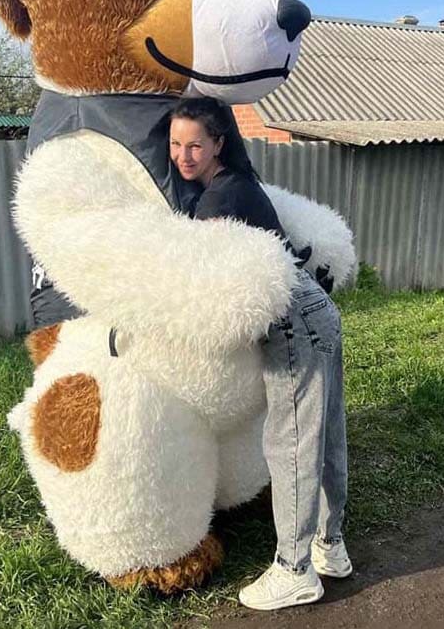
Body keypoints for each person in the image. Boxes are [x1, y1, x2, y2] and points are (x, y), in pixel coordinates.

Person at [169, 97, 352, 611]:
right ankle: (330, 545)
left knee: (290, 443)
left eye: (195, 146)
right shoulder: (239, 184)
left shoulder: (219, 199)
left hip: (292, 323)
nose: (183, 156)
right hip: (315, 312)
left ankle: (294, 570)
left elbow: (197, 282)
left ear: (218, 144)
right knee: (324, 434)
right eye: (176, 144)